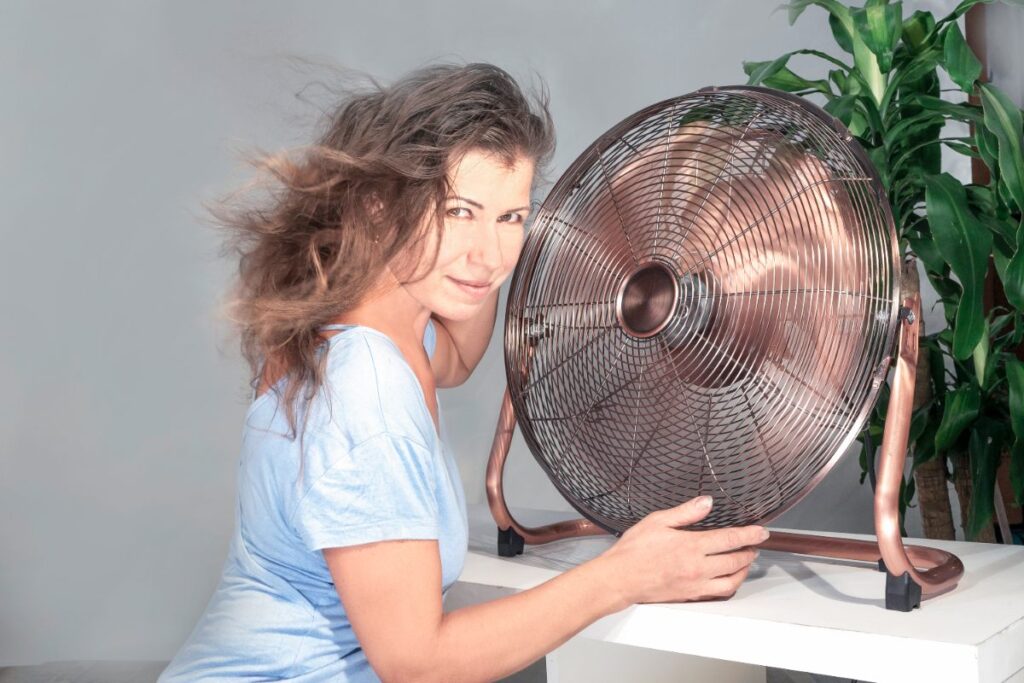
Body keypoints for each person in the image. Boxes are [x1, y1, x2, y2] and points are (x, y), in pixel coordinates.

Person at [160, 62, 768, 683]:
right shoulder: (366, 394)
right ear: (378, 207)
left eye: (511, 219)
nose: (490, 254)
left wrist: (489, 258)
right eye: (458, 212)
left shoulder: (377, 323)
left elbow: (457, 356)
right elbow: (416, 662)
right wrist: (622, 577)